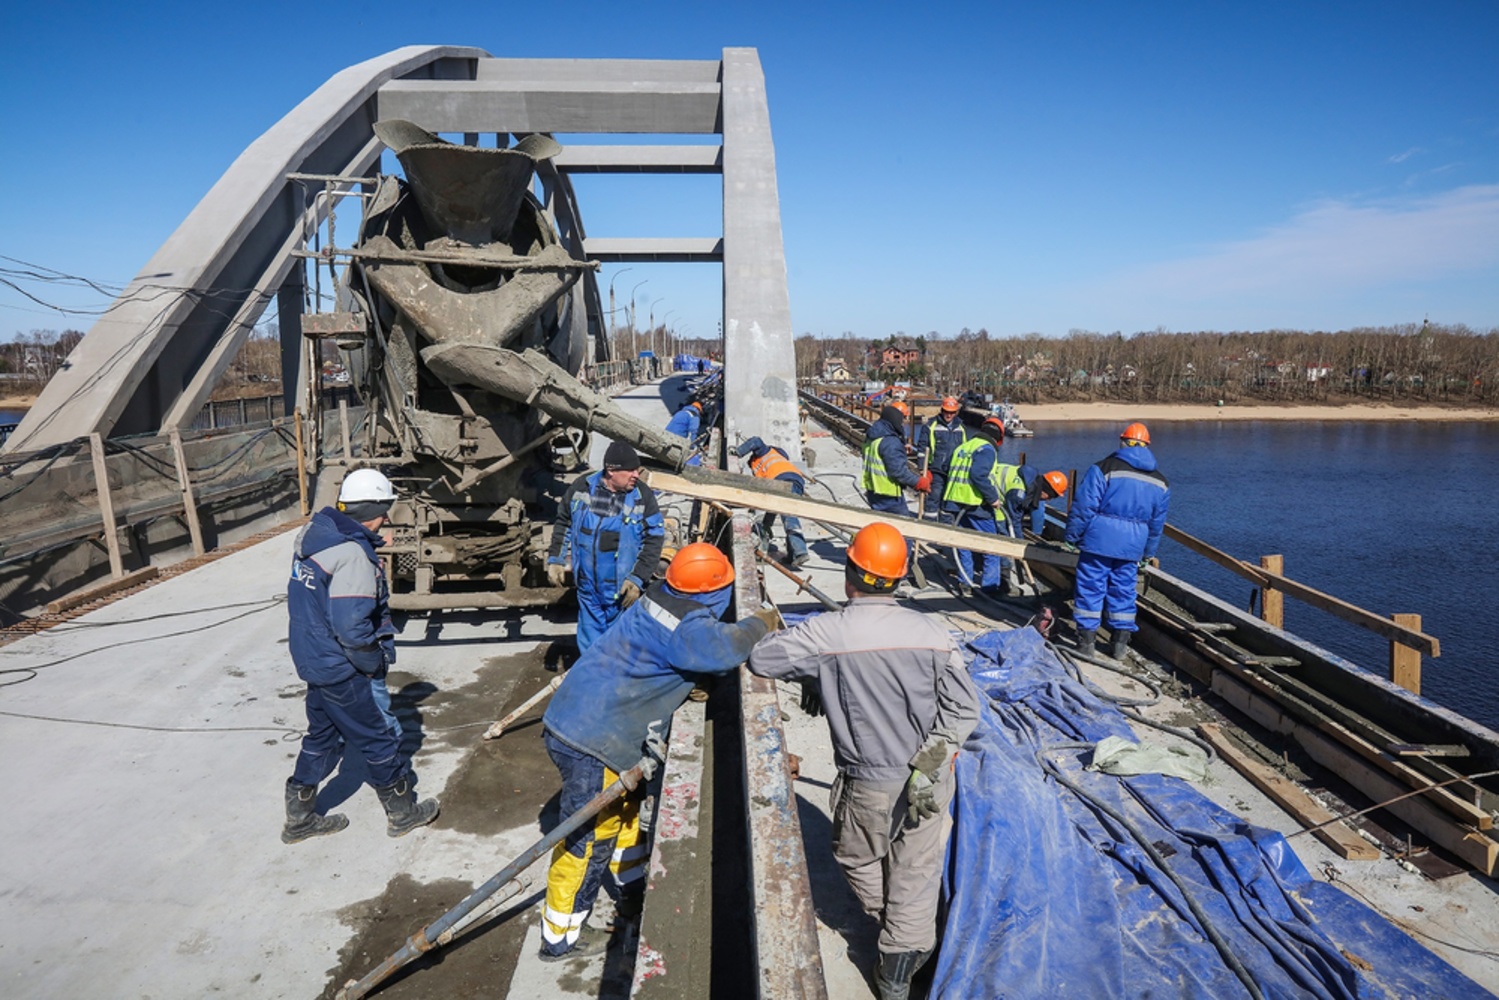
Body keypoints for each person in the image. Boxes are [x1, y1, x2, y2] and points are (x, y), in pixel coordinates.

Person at [747, 523, 980, 1000]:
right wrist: (929, 761)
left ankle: (895, 936)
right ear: (896, 580)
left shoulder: (826, 633)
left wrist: (813, 672)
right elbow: (964, 709)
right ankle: (905, 958)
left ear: (851, 572)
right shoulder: (931, 633)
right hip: (930, 778)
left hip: (869, 781)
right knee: (917, 868)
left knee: (856, 854)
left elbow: (762, 660)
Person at [540, 543, 778, 961]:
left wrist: (686, 678)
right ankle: (560, 937)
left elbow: (675, 655)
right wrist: (761, 623)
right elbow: (725, 648)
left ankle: (630, 888)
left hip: (578, 719)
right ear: (712, 592)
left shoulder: (658, 596)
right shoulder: (690, 629)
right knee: (588, 839)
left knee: (624, 813)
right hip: (593, 741)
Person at [282, 468, 439, 844]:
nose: (386, 517)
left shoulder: (316, 538)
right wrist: (372, 665)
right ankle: (402, 813)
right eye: (384, 509)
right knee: (379, 737)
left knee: (321, 738)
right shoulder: (352, 556)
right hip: (341, 667)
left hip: (314, 661)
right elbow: (353, 628)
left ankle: (299, 817)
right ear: (374, 508)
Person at [1064, 422, 1170, 660]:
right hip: (1133, 546)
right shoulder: (1160, 482)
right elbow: (1156, 524)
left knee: (1091, 588)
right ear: (1147, 446)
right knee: (1123, 591)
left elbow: (1084, 506)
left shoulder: (1103, 468)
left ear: (1123, 442)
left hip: (1099, 540)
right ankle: (1119, 646)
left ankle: (1086, 644)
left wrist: (1071, 536)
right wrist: (1147, 553)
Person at [548, 441, 665, 651]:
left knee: (622, 646)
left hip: (621, 590)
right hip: (588, 587)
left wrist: (637, 579)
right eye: (630, 470)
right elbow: (563, 522)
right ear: (611, 471)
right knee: (590, 646)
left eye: (636, 470)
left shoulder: (642, 496)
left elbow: (654, 540)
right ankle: (593, 679)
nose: (636, 475)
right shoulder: (582, 486)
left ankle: (620, 682)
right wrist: (555, 559)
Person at [940, 417, 1014, 596]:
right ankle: (990, 587)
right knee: (991, 546)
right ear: (999, 439)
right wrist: (993, 498)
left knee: (964, 544)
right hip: (976, 505)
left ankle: (964, 582)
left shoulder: (963, 447)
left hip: (955, 503)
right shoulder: (987, 450)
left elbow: (944, 467)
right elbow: (978, 474)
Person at [735, 435, 811, 567]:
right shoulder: (780, 462)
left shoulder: (765, 452)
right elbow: (772, 509)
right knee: (786, 513)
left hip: (783, 482)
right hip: (795, 482)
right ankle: (792, 556)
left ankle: (800, 551)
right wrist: (766, 525)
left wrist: (737, 452)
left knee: (789, 516)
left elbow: (756, 440)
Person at [994, 466, 1069, 594]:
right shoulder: (1019, 493)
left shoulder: (1032, 482)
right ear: (1046, 491)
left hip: (998, 501)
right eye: (1052, 496)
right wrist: (1020, 545)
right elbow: (1014, 521)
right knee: (1003, 543)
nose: (1050, 500)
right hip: (991, 505)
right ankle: (1003, 583)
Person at [914, 396, 967, 521]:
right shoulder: (930, 426)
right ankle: (930, 525)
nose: (949, 415)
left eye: (952, 412)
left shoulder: (961, 428)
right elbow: (922, 448)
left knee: (949, 501)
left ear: (956, 412)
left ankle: (946, 526)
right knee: (933, 498)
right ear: (942, 410)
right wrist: (922, 469)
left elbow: (965, 449)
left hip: (953, 471)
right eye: (946, 412)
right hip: (936, 470)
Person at [862, 404, 920, 516]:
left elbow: (881, 455)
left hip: (873, 490)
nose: (904, 423)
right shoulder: (890, 442)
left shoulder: (873, 435)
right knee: (903, 525)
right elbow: (898, 471)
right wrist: (918, 482)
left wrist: (899, 449)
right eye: (903, 419)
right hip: (888, 494)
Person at [664, 399, 704, 464]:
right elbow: (693, 432)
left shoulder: (680, 412)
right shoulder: (694, 416)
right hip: (677, 438)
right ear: (699, 410)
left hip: (666, 435)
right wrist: (692, 446)